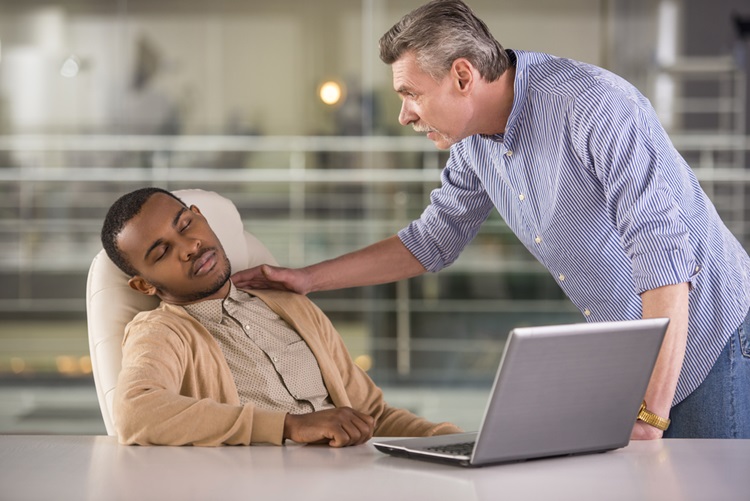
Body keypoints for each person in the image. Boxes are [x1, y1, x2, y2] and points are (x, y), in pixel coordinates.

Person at [232, 0, 750, 440]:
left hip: (710, 340)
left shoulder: (596, 108)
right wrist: (305, 279)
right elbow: (430, 242)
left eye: (411, 93)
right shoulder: (474, 143)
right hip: (636, 353)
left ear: (462, 75)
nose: (404, 115)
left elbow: (665, 264)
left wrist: (649, 413)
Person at [100, 187, 461, 447]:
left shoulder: (289, 305)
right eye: (163, 251)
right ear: (144, 285)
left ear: (201, 216)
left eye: (186, 225)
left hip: (355, 480)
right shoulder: (162, 331)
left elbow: (373, 416)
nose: (190, 246)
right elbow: (135, 412)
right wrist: (289, 426)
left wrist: (454, 442)